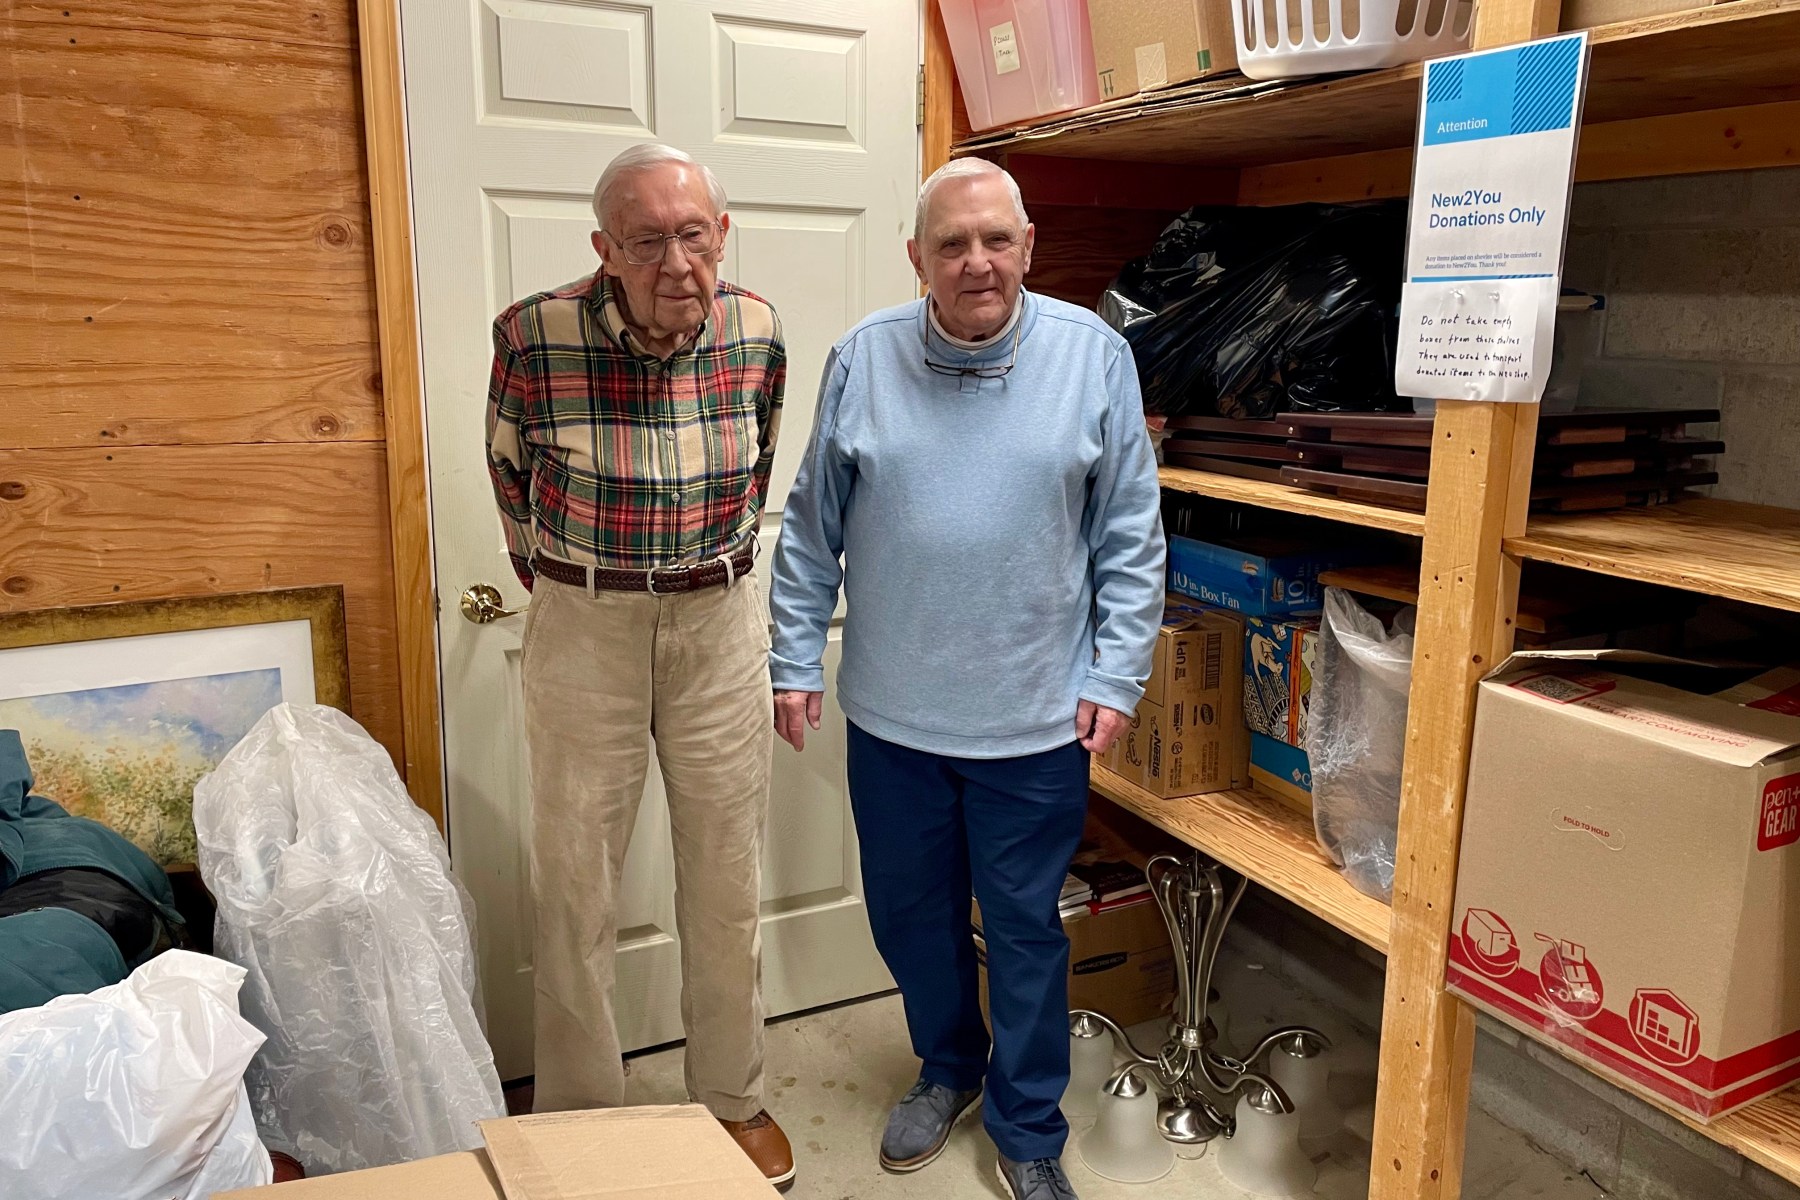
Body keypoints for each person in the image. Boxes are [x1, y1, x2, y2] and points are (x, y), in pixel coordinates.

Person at [766, 158, 1165, 1200]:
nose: (976, 262)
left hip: (1034, 722)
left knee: (1026, 929)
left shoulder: (1095, 358)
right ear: (918, 259)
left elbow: (1130, 532)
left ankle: (1030, 1128)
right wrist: (793, 655)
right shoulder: (862, 360)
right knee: (911, 917)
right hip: (894, 718)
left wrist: (1118, 673)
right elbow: (810, 533)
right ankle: (948, 1068)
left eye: (997, 240)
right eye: (952, 244)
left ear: (1028, 248)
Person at [484, 142, 794, 1190]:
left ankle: (734, 1101)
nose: (677, 260)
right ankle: (578, 1119)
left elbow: (761, 456)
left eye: (693, 232)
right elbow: (511, 477)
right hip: (588, 627)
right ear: (604, 249)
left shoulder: (757, 330)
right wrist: (575, 587)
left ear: (722, 232)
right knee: (574, 888)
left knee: (727, 878)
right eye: (648, 239)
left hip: (719, 626)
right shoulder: (533, 336)